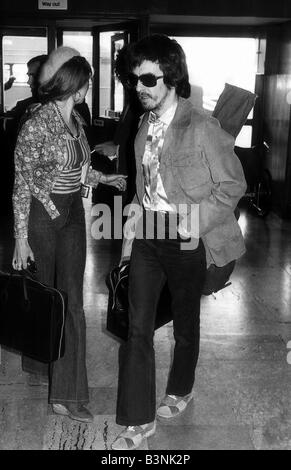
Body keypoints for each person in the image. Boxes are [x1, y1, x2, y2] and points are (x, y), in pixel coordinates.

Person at [111, 34, 247, 450]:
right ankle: (137, 422)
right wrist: (133, 220)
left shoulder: (202, 128)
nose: (140, 88)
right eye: (133, 79)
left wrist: (192, 223)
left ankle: (181, 388)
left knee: (185, 324)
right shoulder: (142, 124)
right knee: (138, 328)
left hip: (188, 237)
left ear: (171, 77)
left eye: (148, 79)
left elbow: (233, 185)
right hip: (150, 234)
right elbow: (144, 187)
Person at [12, 46, 127, 422]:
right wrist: (20, 237)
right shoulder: (37, 122)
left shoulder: (76, 118)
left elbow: (78, 170)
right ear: (76, 86)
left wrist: (104, 176)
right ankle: (38, 361)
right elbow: (22, 184)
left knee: (72, 301)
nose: (88, 89)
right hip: (43, 216)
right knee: (46, 294)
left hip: (74, 213)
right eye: (87, 83)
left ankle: (67, 393)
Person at [93, 44, 143, 205]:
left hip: (135, 183)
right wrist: (114, 144)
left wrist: (116, 150)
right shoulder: (132, 99)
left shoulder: (143, 103)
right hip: (122, 178)